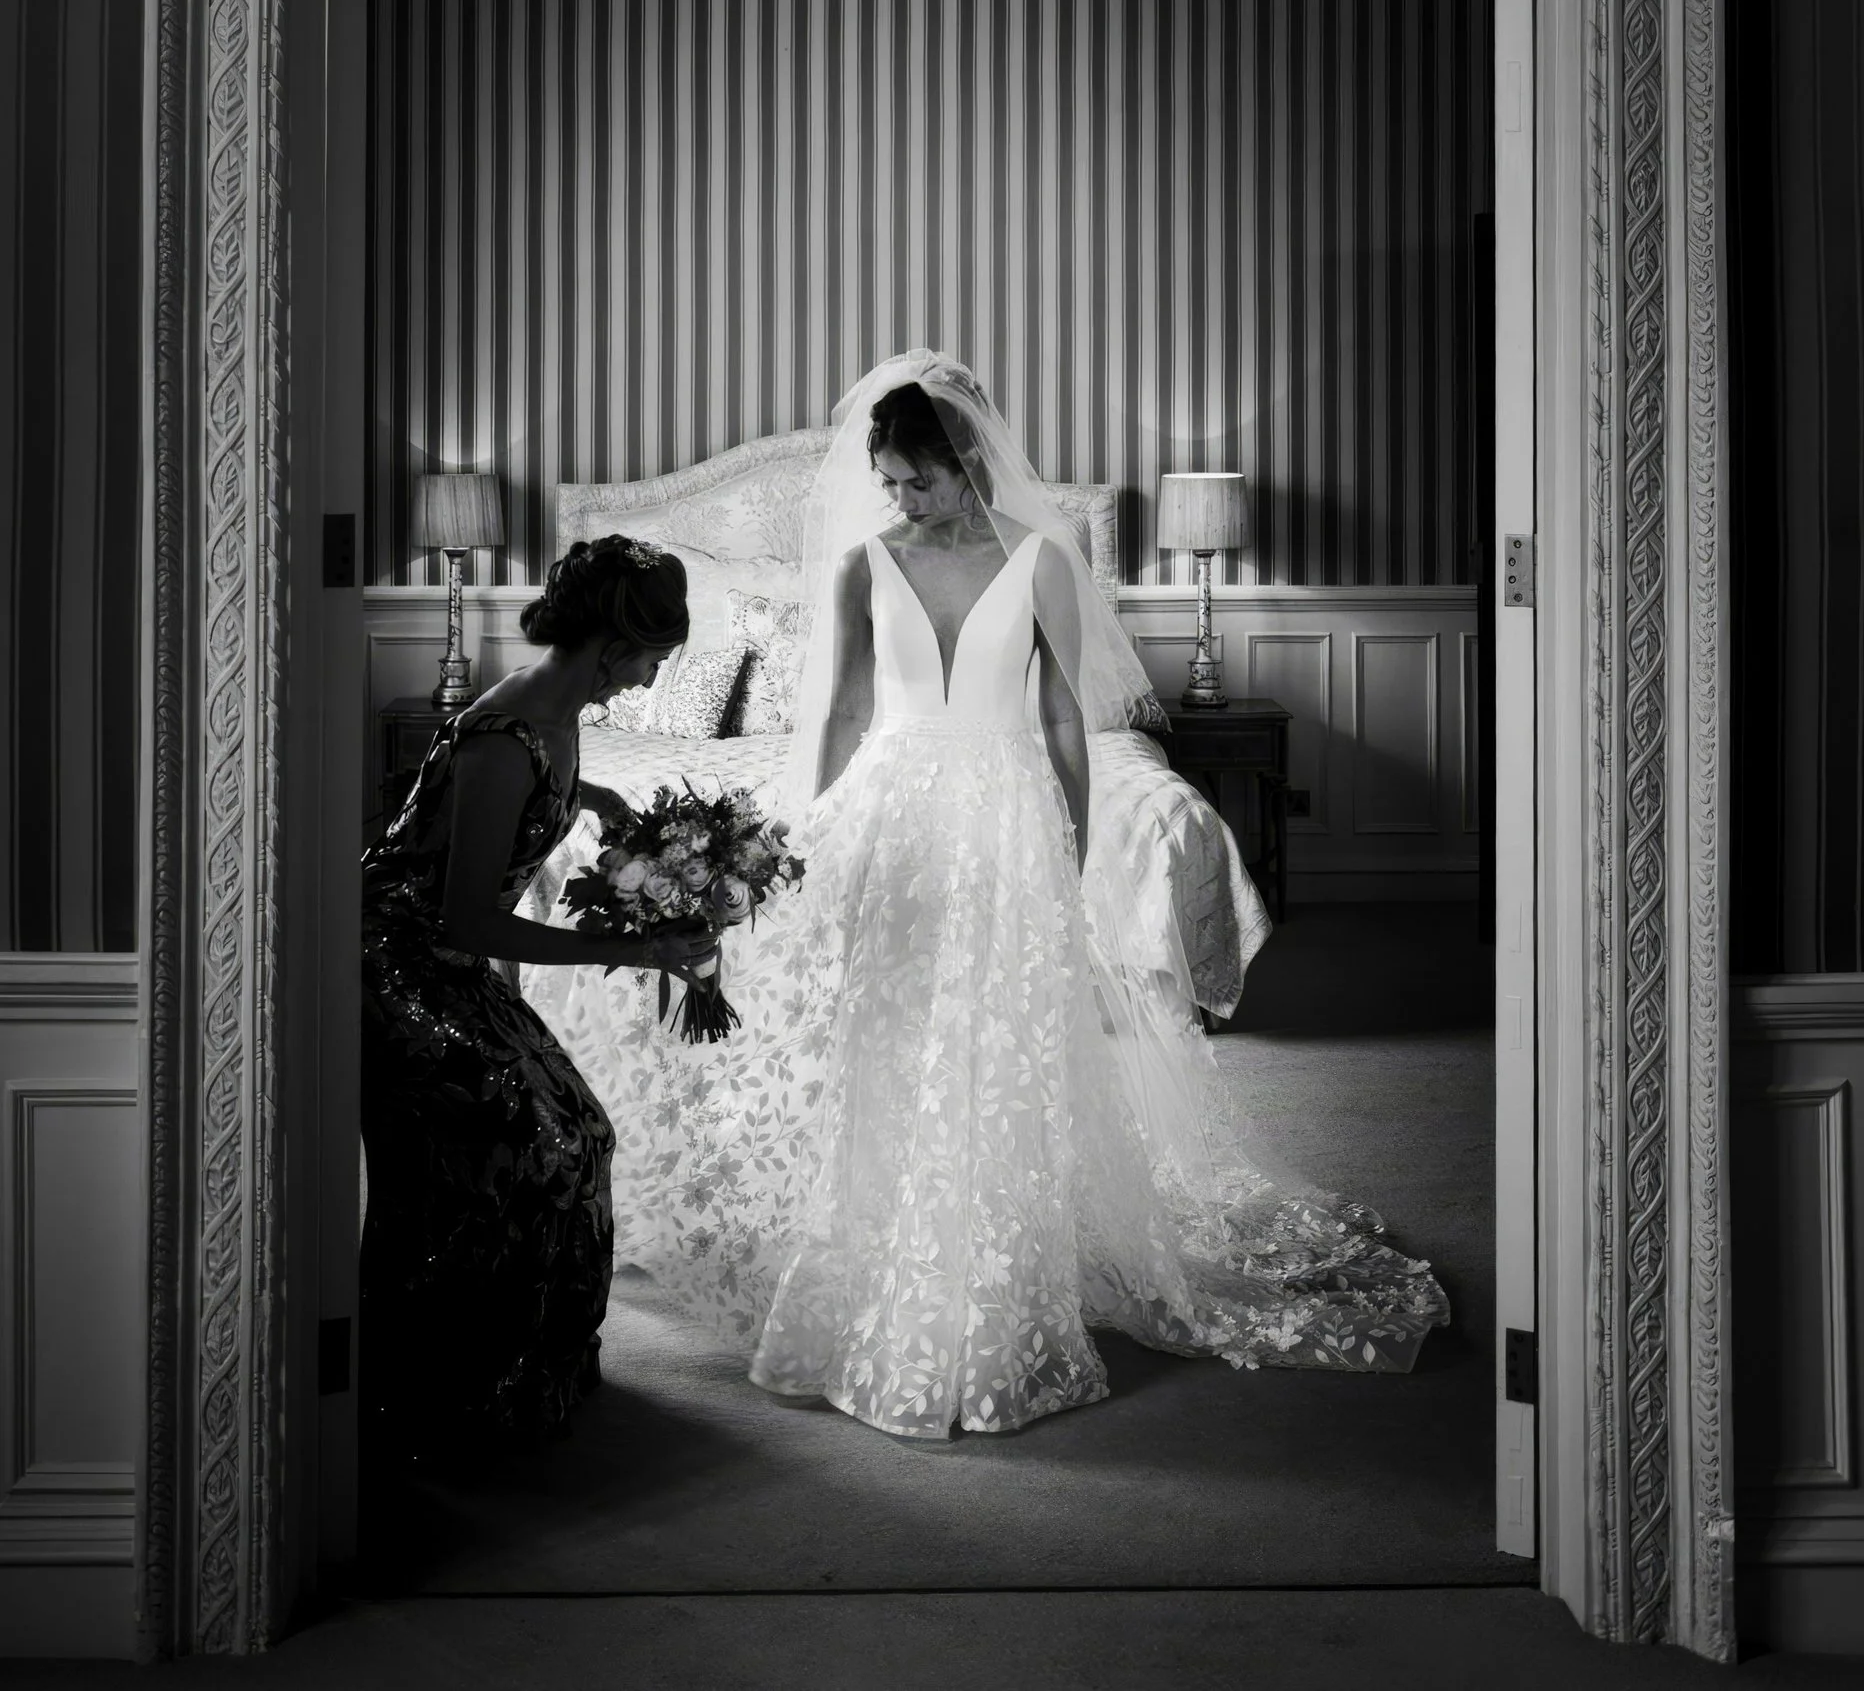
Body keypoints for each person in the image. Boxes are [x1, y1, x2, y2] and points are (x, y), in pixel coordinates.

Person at [527, 355, 1449, 1440]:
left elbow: (1065, 714)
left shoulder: (1044, 559)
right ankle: (879, 1233)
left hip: (1006, 803)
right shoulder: (865, 565)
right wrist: (803, 831)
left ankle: (995, 1246)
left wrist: (1071, 832)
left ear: (965, 462)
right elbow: (836, 715)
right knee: (886, 1022)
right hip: (892, 801)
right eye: (887, 484)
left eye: (915, 480)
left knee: (1000, 1034)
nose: (899, 500)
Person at [358, 532, 717, 1462]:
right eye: (647, 661)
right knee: (538, 1137)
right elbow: (472, 919)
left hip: (440, 959)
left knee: (582, 1130)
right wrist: (635, 944)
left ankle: (531, 1370)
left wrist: (593, 797)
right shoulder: (504, 736)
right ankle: (453, 1387)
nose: (645, 682)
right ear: (610, 646)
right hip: (395, 965)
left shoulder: (559, 711)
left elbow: (545, 777)